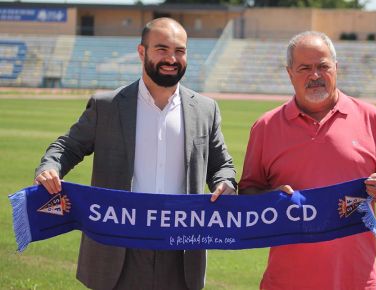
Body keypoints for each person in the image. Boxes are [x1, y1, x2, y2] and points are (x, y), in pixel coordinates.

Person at [34, 17, 236, 290]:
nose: (171, 58)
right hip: (118, 248)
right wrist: (50, 167)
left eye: (179, 51)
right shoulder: (108, 105)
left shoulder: (205, 109)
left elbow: (221, 164)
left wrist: (225, 182)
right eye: (162, 49)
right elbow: (68, 147)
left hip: (181, 251)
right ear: (142, 52)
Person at [238, 31, 376, 290]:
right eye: (304, 68)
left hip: (358, 280)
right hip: (286, 281)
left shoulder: (373, 118)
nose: (315, 75)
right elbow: (247, 191)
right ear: (290, 73)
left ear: (336, 68)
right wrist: (270, 198)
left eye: (323, 66)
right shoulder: (265, 127)